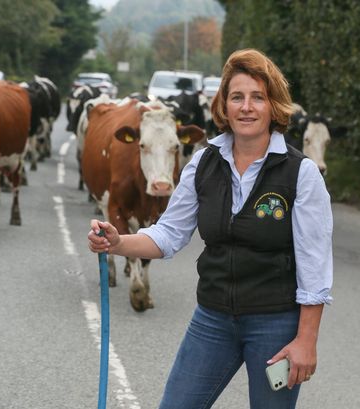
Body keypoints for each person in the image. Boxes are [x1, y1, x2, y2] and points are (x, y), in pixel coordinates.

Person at [88, 48, 333, 409]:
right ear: (224, 105)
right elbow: (169, 233)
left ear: (273, 105)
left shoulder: (301, 174)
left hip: (274, 325)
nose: (246, 107)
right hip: (213, 320)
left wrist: (306, 340)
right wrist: (118, 242)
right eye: (237, 97)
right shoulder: (203, 162)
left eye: (257, 97)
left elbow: (315, 265)